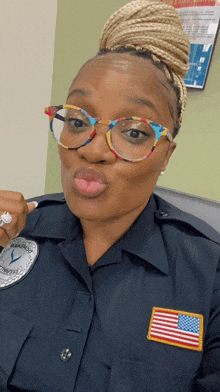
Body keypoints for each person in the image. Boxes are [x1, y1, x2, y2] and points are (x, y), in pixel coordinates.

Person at [0, 0, 220, 391]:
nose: (93, 149)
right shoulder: (14, 233)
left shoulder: (208, 275)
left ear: (166, 155)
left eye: (134, 132)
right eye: (77, 121)